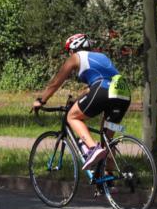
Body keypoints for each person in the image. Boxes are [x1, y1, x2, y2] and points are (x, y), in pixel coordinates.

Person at [32, 33, 131, 172]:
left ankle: (91, 148)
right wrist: (76, 101)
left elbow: (56, 82)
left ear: (73, 48)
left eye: (69, 51)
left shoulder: (76, 57)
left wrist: (41, 100)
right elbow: (92, 88)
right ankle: (108, 178)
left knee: (72, 117)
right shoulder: (101, 56)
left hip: (103, 89)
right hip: (123, 92)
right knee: (107, 140)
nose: (69, 54)